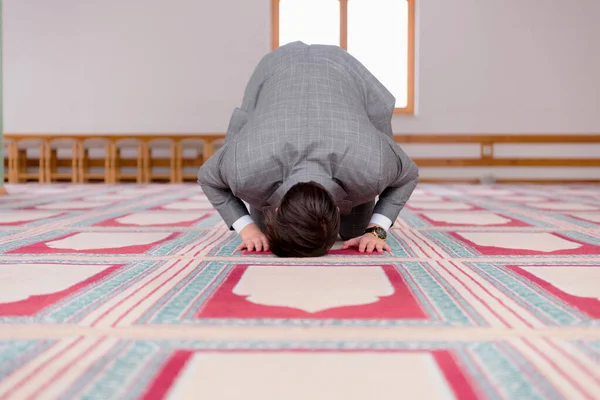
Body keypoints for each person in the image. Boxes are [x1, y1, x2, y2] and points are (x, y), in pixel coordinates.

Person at [198, 41, 419, 257]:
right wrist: (248, 229)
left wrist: (376, 231)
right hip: (278, 74)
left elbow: (407, 174)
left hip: (340, 71)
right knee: (261, 232)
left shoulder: (371, 165)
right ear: (275, 209)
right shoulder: (244, 167)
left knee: (356, 231)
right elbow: (209, 178)